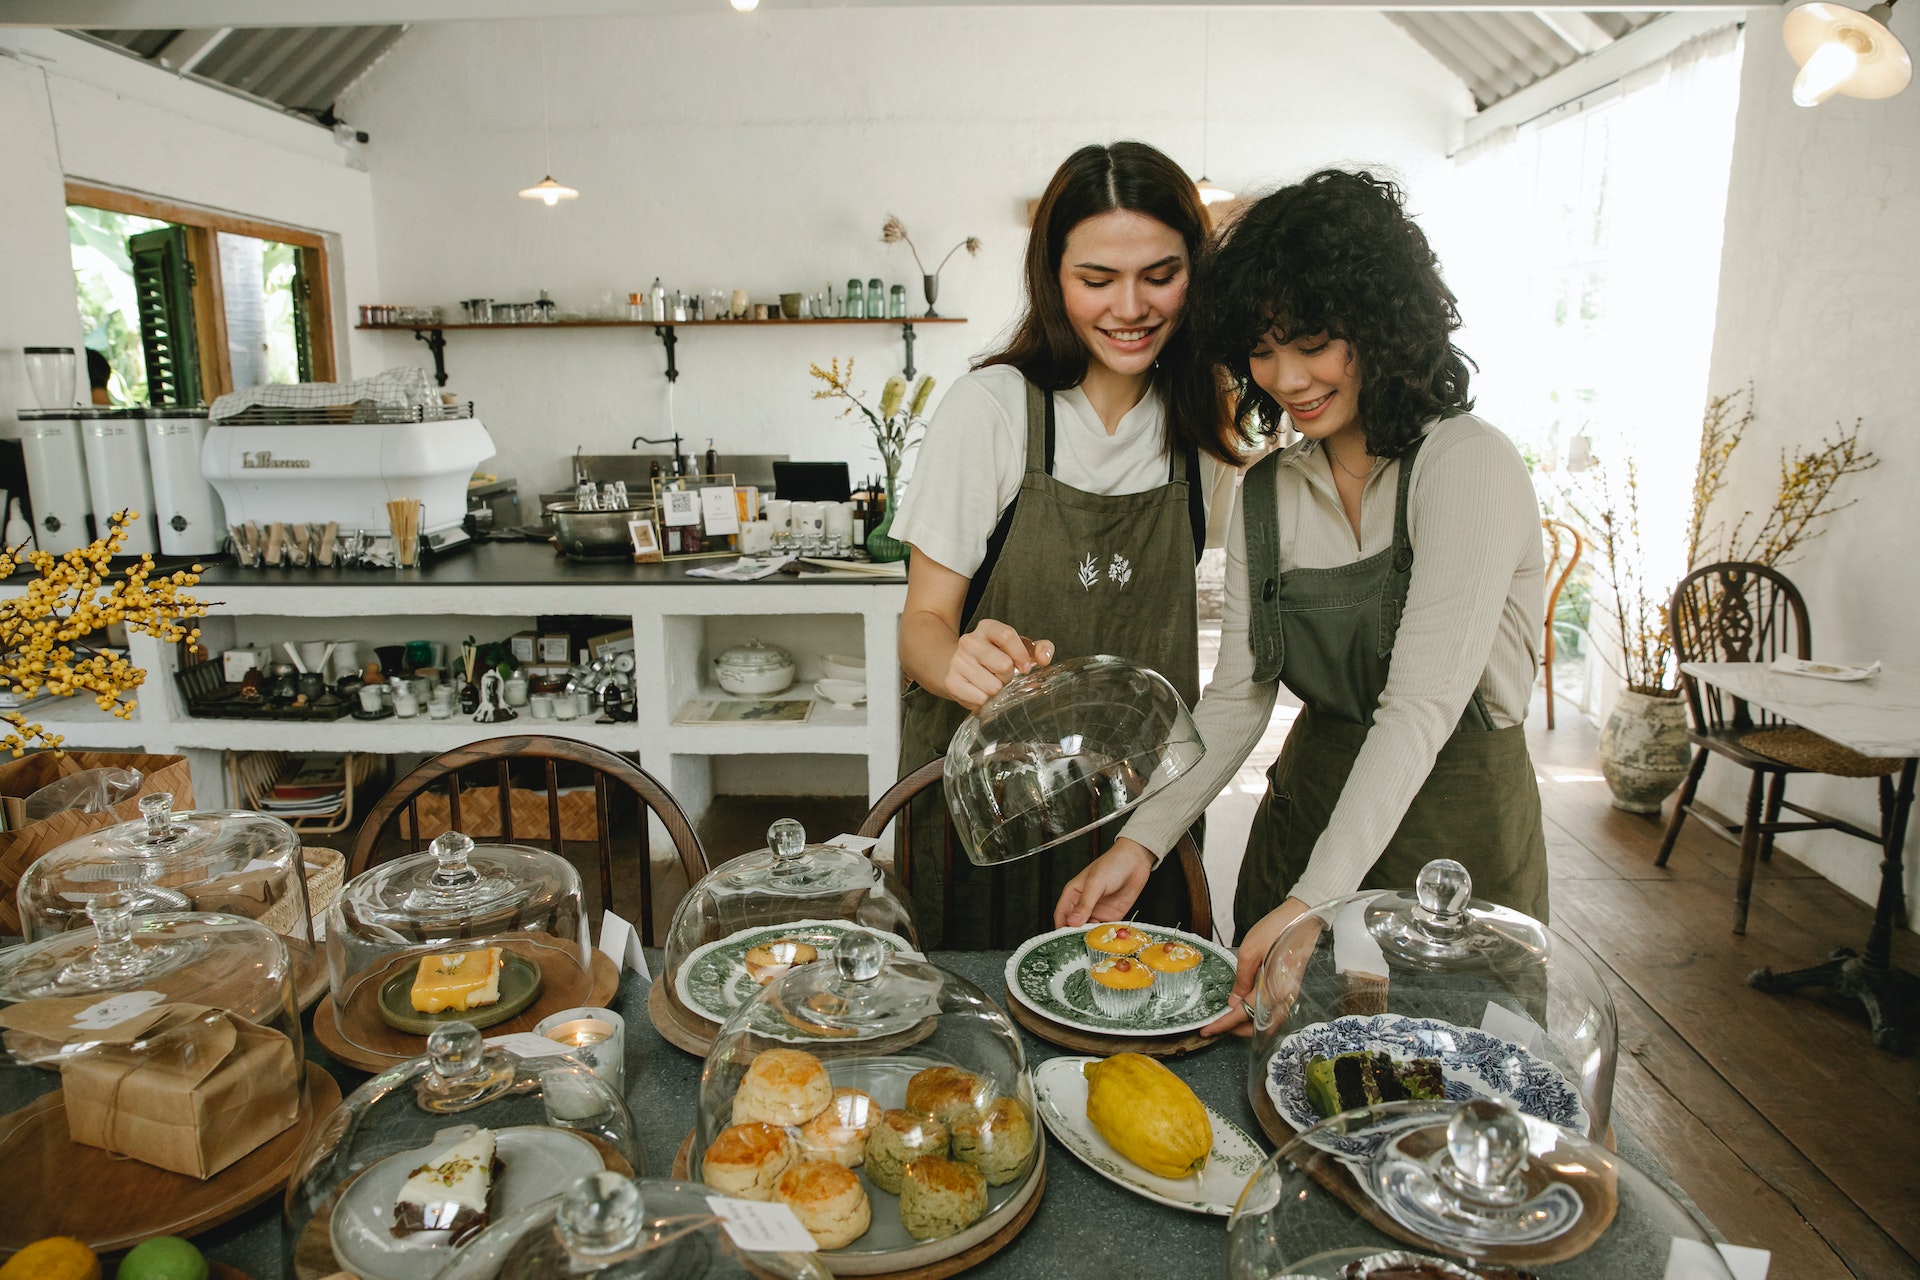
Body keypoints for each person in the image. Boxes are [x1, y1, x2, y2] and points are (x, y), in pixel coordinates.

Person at [1056, 169, 1548, 1032]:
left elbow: (1422, 707)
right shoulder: (1269, 493)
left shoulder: (1465, 465)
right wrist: (1144, 837)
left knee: (1455, 1096)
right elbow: (1240, 694)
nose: (1287, 378)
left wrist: (1317, 899)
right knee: (1290, 1084)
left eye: (1314, 343)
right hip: (1309, 818)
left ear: (1383, 324)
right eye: (1261, 348)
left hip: (1455, 839)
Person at [890, 141, 1243, 949]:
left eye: (1160, 275)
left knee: (1133, 1028)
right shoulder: (993, 410)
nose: (1130, 307)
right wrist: (954, 664)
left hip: (1139, 818)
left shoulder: (1203, 432)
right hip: (990, 809)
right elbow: (921, 626)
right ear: (1053, 279)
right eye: (1096, 281)